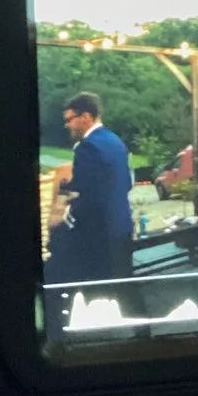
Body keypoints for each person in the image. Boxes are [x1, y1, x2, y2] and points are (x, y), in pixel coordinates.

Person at [53, 93, 136, 282]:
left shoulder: (87, 146)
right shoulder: (115, 140)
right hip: (122, 226)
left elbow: (87, 196)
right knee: (123, 286)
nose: (67, 125)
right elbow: (125, 183)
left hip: (99, 234)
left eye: (69, 120)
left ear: (85, 118)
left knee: (98, 290)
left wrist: (64, 215)